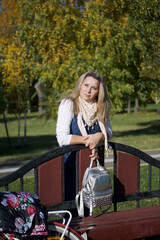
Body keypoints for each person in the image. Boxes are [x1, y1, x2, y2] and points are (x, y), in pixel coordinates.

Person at [56, 70, 112, 211]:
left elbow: (109, 132)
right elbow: (62, 138)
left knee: (90, 206)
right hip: (70, 167)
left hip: (92, 169)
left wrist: (99, 136)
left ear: (99, 91)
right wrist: (89, 140)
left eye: (94, 88)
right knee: (72, 208)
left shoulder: (101, 107)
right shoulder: (68, 104)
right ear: (80, 85)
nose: (88, 90)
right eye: (86, 85)